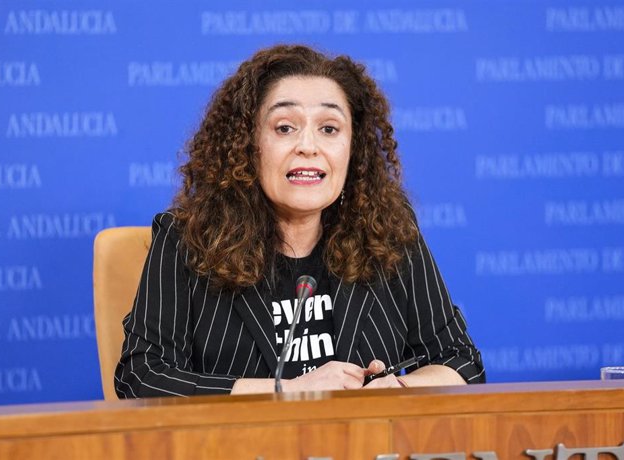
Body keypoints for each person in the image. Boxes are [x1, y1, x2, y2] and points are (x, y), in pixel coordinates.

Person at [114, 44, 485, 398]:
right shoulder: (187, 239)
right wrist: (287, 390)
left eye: (329, 129)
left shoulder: (387, 231)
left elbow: (461, 360)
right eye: (285, 127)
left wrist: (397, 389)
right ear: (249, 145)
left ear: (353, 151)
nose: (308, 146)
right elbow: (142, 376)